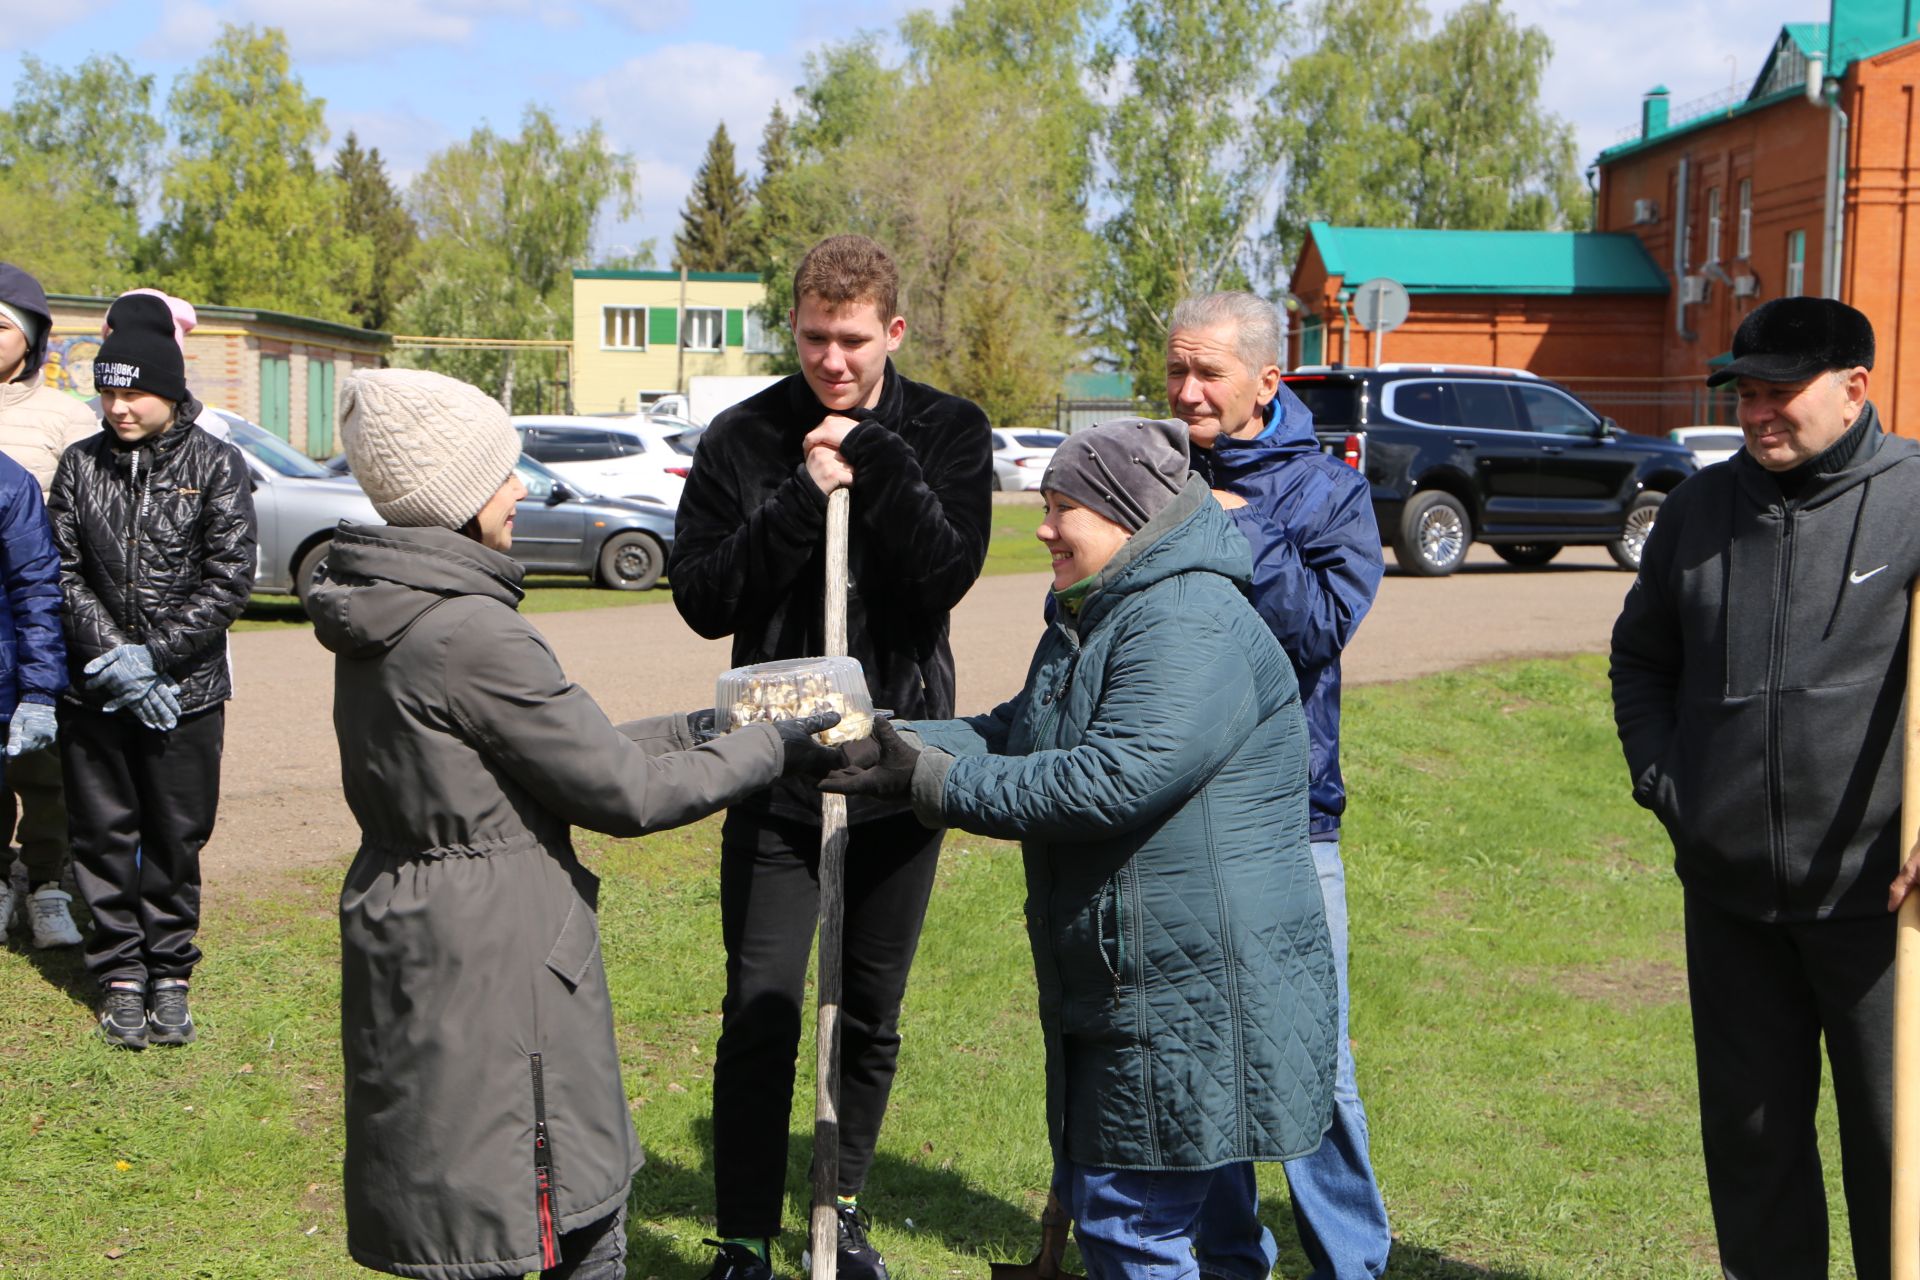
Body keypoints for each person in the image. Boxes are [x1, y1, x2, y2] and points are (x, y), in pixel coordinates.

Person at [311, 368, 849, 1280]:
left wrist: (706, 726)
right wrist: (779, 749)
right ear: (451, 494)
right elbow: (626, 794)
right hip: (501, 971)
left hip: (426, 951)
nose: (520, 486)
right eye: (501, 471)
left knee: (464, 1221)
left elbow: (553, 750)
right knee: (570, 1227)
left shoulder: (386, 613)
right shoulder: (471, 634)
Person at [823, 418, 1337, 1280]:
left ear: (1128, 516)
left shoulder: (1186, 622)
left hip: (1191, 990)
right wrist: (890, 740)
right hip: (1148, 980)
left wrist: (933, 784)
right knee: (1202, 1227)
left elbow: (1109, 780)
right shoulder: (1106, 612)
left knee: (1130, 1227)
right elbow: (1020, 733)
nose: (1045, 526)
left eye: (1065, 507)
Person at [669, 233, 994, 1280]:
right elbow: (703, 596)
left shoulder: (946, 430)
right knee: (761, 1001)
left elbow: (941, 575)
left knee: (870, 1006)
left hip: (896, 761)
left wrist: (877, 458)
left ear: (893, 331)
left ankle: (840, 1206)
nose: (833, 361)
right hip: (773, 768)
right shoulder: (743, 438)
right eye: (814, 338)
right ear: (794, 328)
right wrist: (802, 499)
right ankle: (745, 1235)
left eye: (853, 340)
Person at [1611, 296, 1920, 1279]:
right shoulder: (1700, 510)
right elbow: (1642, 660)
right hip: (1734, 900)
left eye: (1779, 391)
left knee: (1899, 1158)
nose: (1756, 413)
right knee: (1754, 1155)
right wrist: (1674, 787)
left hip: (1885, 909)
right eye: (1745, 392)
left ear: (1854, 389)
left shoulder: (1917, 496)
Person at [1165, 292, 1389, 1279]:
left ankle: (1353, 1261)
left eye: (1207, 372)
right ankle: (1227, 1258)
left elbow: (1316, 633)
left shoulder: (1329, 494)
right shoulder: (1155, 470)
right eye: (1176, 370)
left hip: (1289, 819)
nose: (1186, 391)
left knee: (1312, 1059)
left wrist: (1239, 527)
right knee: (1203, 1056)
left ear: (1267, 380)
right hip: (1169, 814)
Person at [50, 290, 254, 1050]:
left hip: (188, 696)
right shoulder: (79, 466)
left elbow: (229, 576)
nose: (119, 407)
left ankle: (170, 973)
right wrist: (114, 662)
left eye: (133, 391)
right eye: (108, 390)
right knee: (102, 836)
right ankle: (120, 976)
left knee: (175, 837)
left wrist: (157, 658)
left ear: (169, 389)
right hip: (95, 694)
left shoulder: (218, 465)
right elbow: (62, 571)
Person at [0, 263, 97, 949]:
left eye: (1, 323)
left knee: (44, 767)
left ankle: (48, 882)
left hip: (42, 615)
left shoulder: (63, 416)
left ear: (32, 337)